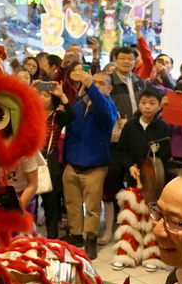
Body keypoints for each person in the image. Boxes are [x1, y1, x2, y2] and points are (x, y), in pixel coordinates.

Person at [61, 70, 117, 258]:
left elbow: (105, 114)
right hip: (72, 164)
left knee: (92, 208)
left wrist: (90, 87)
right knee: (72, 204)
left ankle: (90, 239)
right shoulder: (79, 105)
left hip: (95, 167)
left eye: (101, 83)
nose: (95, 85)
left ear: (109, 88)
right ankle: (76, 235)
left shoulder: (108, 107)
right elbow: (69, 132)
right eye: (93, 82)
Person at [35, 80, 73, 240]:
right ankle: (26, 236)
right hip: (30, 159)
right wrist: (29, 91)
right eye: (40, 94)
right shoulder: (30, 112)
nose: (42, 98)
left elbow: (72, 116)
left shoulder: (58, 116)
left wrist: (62, 94)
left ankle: (52, 238)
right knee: (29, 201)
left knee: (52, 203)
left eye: (46, 96)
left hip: (50, 161)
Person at [114, 88, 172, 190]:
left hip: (155, 178)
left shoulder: (163, 127)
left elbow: (165, 155)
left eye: (152, 103)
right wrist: (130, 165)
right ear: (139, 104)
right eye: (143, 103)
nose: (147, 106)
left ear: (159, 106)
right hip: (133, 176)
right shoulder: (130, 125)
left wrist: (152, 170)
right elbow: (121, 150)